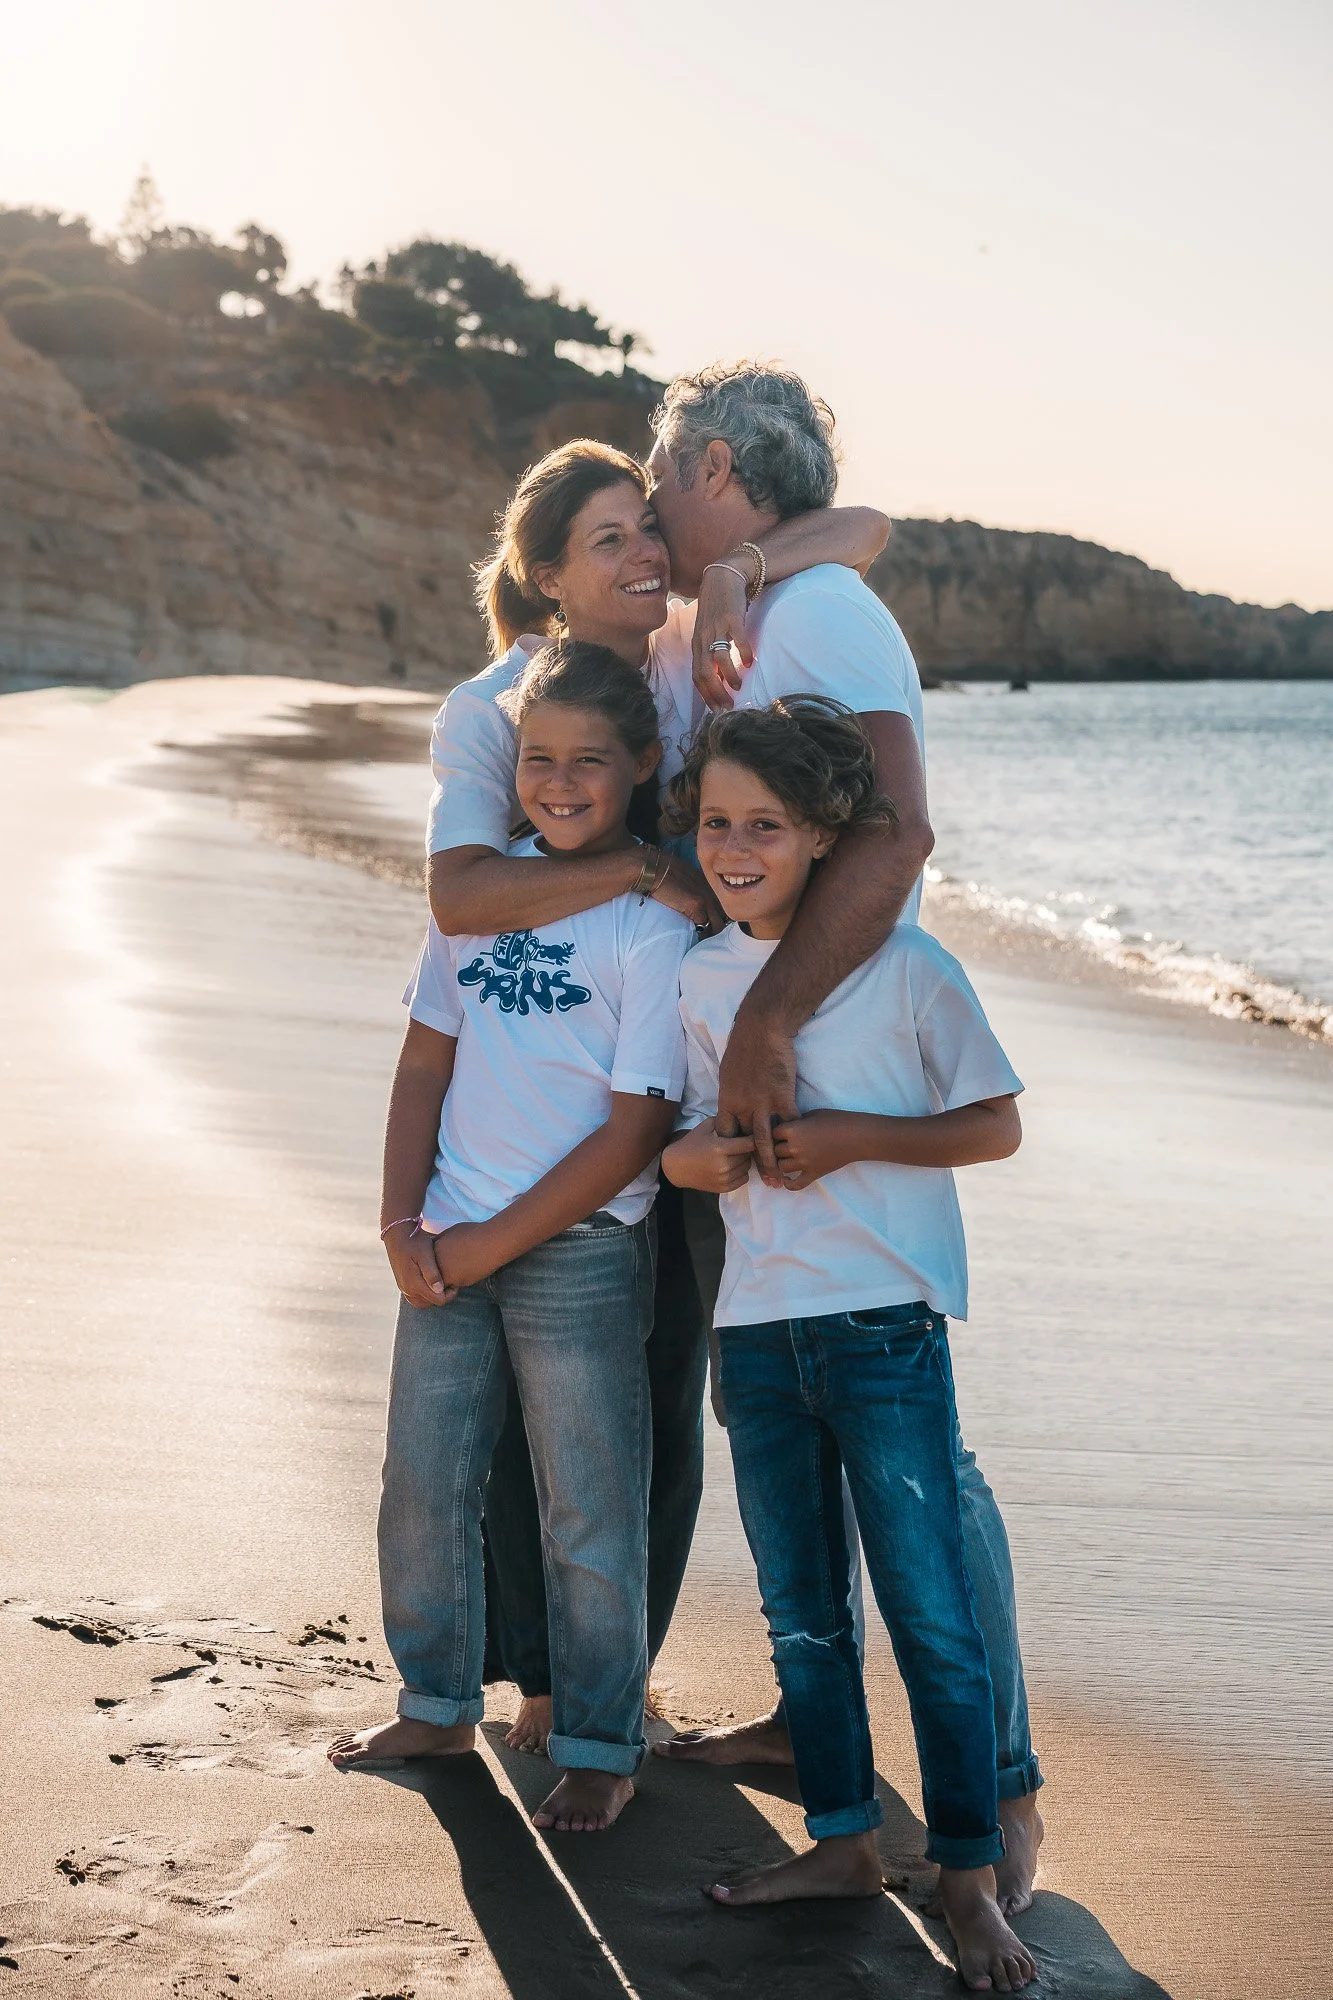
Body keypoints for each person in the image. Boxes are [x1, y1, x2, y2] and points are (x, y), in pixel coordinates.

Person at [642, 362, 1043, 1920]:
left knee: (926, 1494)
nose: (661, 510)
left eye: (671, 482)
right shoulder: (765, 593)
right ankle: (817, 1731)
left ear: (717, 466)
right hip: (730, 1075)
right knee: (806, 1494)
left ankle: (995, 1798)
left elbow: (893, 824)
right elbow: (850, 526)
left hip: (805, 1075)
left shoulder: (814, 617)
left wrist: (763, 1024)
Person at [427, 436, 891, 1753]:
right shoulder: (494, 709)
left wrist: (739, 567)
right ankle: (542, 1679)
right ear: (546, 576)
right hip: (549, 1093)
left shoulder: (695, 648)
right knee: (536, 1400)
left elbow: (860, 524)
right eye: (612, 539)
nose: (647, 555)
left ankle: (612, 1671)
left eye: (649, 528)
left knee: (669, 1383)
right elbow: (462, 895)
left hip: (690, 1081)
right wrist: (639, 871)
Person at [328, 642, 695, 1833]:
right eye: (540, 758)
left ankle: (599, 1739)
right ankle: (437, 1698)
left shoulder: (652, 924)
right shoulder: (483, 893)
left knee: (588, 1505)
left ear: (642, 766)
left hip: (580, 1250)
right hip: (444, 1240)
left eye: (592, 760)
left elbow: (636, 1128)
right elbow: (423, 1060)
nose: (563, 781)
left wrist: (490, 1242)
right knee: (423, 1484)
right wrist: (401, 1219)